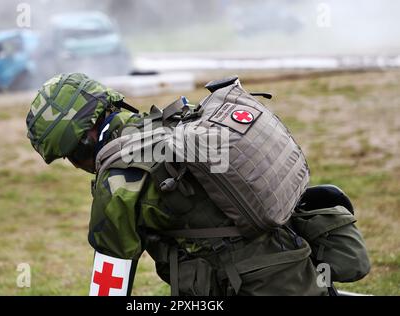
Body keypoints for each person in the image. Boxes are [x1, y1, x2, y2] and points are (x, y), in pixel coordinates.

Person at [26, 73, 334, 296]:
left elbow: (109, 286)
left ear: (83, 142)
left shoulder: (120, 177)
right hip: (297, 262)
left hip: (251, 285)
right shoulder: (169, 124)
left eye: (69, 157)